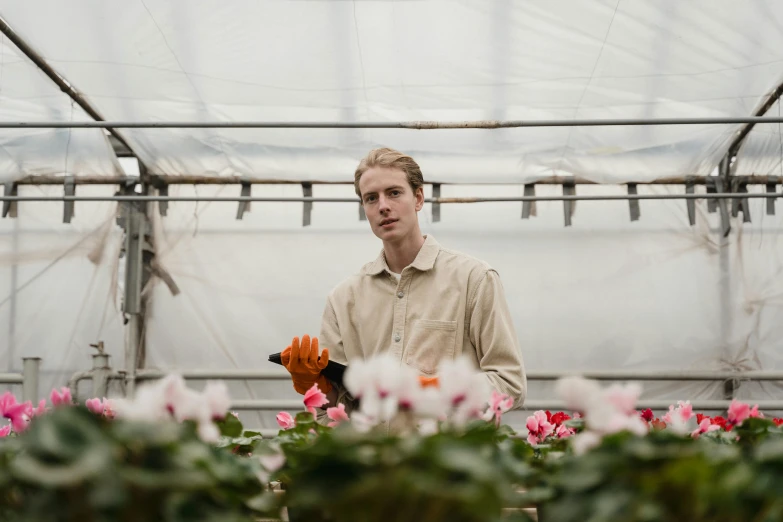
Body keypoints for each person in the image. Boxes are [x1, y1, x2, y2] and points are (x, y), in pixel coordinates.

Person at [280, 147, 526, 424]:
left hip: (451, 460)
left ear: (419, 197)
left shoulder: (475, 280)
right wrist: (319, 387)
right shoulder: (343, 299)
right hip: (375, 462)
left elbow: (509, 382)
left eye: (394, 193)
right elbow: (336, 411)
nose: (383, 205)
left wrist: (437, 388)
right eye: (371, 198)